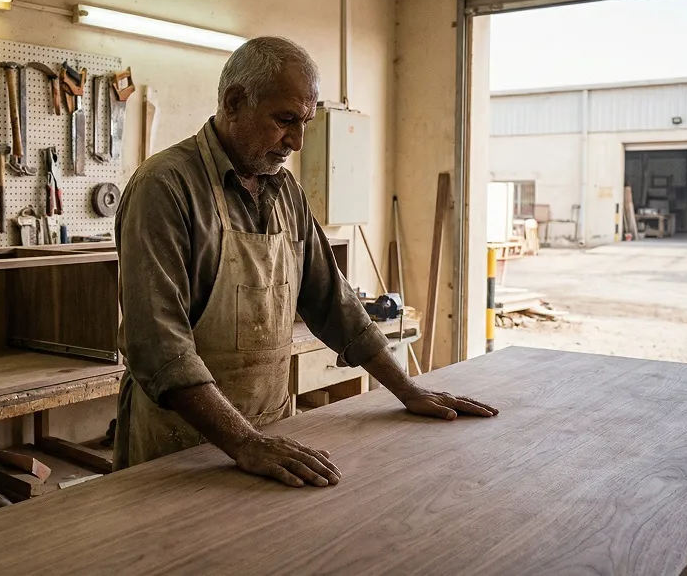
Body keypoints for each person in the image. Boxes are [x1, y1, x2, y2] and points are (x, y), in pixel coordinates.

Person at [113, 36, 497, 487]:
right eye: (285, 120)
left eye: (306, 123)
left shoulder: (284, 191)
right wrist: (244, 442)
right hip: (177, 451)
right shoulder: (165, 187)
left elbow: (333, 302)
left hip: (269, 435)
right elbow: (159, 346)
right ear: (234, 102)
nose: (296, 141)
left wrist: (407, 388)